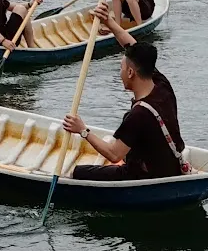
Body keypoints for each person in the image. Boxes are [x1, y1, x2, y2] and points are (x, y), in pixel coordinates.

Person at [62, 22, 185, 181]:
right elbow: (132, 45)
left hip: (146, 176)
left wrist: (82, 130)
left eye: (121, 68)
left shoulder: (139, 114)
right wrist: (108, 21)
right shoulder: (162, 85)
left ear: (130, 72)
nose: (120, 73)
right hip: (172, 166)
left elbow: (114, 154)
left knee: (78, 172)